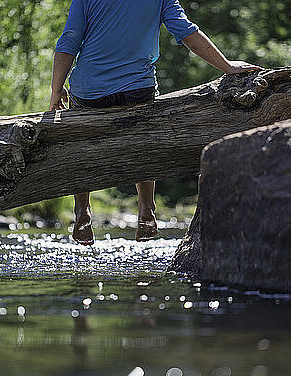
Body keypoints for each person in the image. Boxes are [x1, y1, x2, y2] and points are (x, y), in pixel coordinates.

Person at [50, 0, 261, 245]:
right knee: (143, 142)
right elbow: (187, 33)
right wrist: (227, 66)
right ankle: (147, 210)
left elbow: (69, 40)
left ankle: (83, 212)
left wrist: (56, 90)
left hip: (91, 91)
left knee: (83, 146)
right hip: (138, 88)